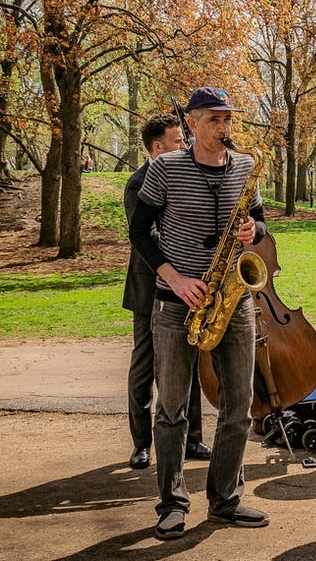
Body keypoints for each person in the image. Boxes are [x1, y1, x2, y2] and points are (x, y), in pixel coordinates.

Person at [129, 87, 270, 540]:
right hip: (176, 303)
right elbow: (138, 229)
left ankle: (225, 498)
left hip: (234, 301)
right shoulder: (165, 168)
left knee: (240, 407)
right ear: (191, 122)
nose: (224, 128)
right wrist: (173, 277)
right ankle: (171, 503)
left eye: (228, 119)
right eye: (214, 119)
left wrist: (254, 229)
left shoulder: (246, 167)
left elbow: (261, 219)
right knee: (172, 409)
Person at [123, 113, 211, 471]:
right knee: (144, 367)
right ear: (157, 147)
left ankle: (191, 439)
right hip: (150, 288)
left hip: (189, 287)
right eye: (178, 142)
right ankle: (142, 443)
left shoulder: (189, 173)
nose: (185, 146)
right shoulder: (138, 182)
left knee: (187, 363)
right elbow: (148, 236)